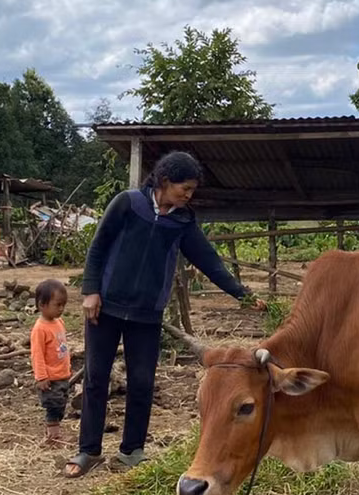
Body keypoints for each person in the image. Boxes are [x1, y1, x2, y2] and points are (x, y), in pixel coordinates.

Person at [64, 151, 261, 477]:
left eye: (192, 190)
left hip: (147, 313)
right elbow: (98, 247)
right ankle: (88, 451)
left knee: (142, 382)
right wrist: (90, 291)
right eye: (185, 188)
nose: (188, 195)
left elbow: (208, 261)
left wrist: (242, 294)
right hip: (106, 307)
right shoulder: (128, 204)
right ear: (165, 181)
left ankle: (132, 451)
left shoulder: (182, 221)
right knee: (96, 378)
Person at [30, 278, 72, 448]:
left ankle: (52, 433)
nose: (61, 309)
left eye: (63, 305)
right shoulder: (40, 329)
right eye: (57, 305)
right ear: (42, 304)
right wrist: (41, 376)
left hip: (62, 375)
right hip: (50, 379)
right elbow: (37, 354)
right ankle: (53, 438)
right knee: (53, 407)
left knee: (60, 405)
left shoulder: (59, 322)